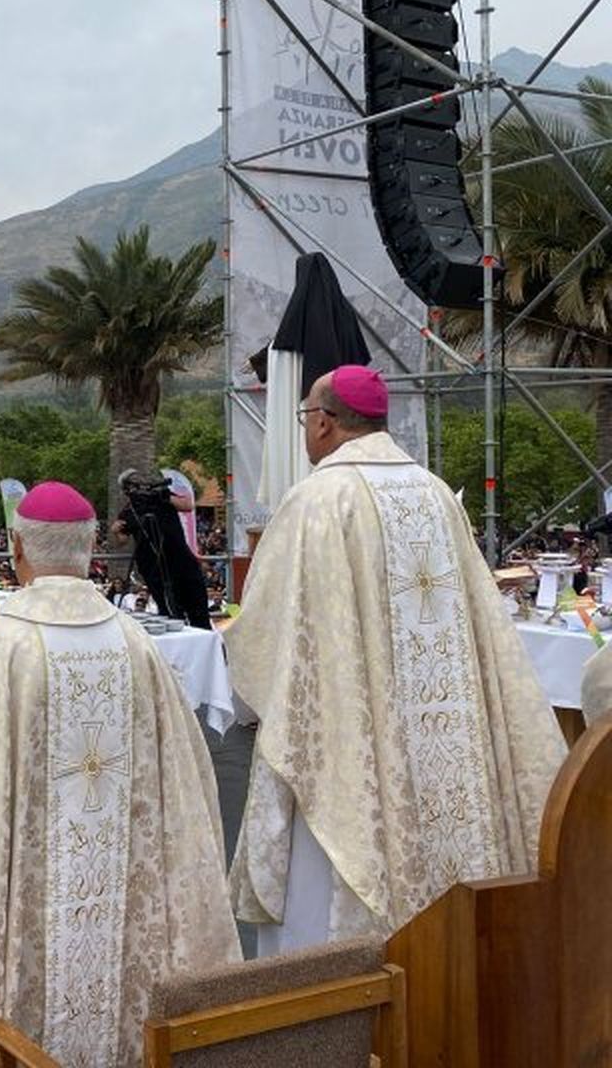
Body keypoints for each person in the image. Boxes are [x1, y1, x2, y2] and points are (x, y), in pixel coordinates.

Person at [0, 482, 240, 1068]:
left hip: (28, 893)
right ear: (91, 547)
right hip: (125, 894)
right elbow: (186, 777)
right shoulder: (137, 643)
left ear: (17, 547)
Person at [226, 365, 566, 954]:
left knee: (328, 908)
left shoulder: (317, 500)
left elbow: (267, 632)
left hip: (351, 743)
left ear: (325, 423)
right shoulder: (437, 494)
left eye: (306, 418)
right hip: (448, 738)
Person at [112, 468, 211, 629]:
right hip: (154, 568)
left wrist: (163, 496)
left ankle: (204, 637)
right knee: (170, 614)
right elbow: (121, 541)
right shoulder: (129, 511)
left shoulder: (162, 497)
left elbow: (188, 505)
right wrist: (116, 532)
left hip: (181, 561)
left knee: (198, 608)